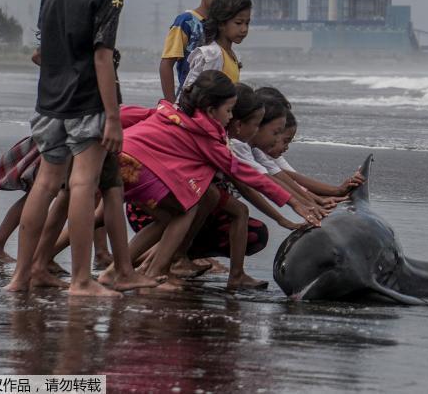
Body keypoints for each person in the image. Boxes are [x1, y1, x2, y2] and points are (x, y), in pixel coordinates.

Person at [5, 0, 132, 296]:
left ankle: (21, 276)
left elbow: (44, 51)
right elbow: (102, 57)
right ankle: (80, 280)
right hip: (86, 105)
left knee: (44, 186)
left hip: (49, 104)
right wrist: (113, 117)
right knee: (82, 185)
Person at [117, 71, 320, 288]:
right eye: (229, 111)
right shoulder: (209, 138)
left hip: (119, 160)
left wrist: (102, 123)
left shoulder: (179, 115)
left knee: (179, 211)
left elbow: (132, 113)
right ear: (213, 110)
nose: (230, 116)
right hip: (139, 171)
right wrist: (292, 203)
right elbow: (246, 175)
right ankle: (154, 269)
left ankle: (125, 270)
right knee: (184, 212)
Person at [253, 87, 363, 201]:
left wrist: (335, 192)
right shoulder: (240, 147)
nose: (277, 140)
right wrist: (315, 202)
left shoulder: (259, 152)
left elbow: (290, 179)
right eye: (277, 132)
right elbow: (276, 180)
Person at [159, 0, 236, 103]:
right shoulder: (186, 22)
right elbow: (166, 65)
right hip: (190, 105)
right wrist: (170, 106)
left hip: (219, 106)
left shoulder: (225, 25)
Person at [177, 0, 250, 100]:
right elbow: (190, 93)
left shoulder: (232, 56)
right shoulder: (212, 55)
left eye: (247, 23)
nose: (244, 29)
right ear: (221, 24)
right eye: (239, 23)